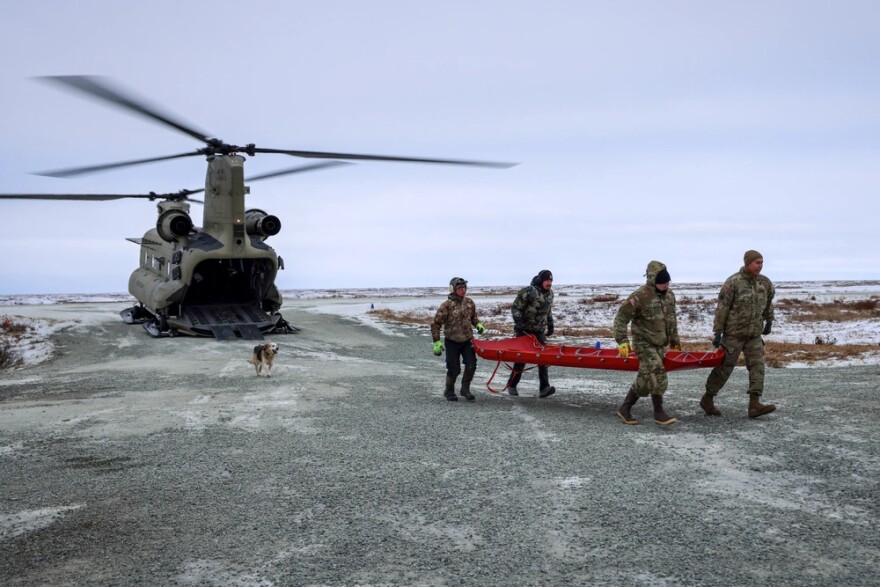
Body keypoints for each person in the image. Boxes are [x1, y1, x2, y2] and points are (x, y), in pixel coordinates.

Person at [701, 250, 777, 418]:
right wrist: (718, 332)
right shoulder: (733, 282)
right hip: (733, 335)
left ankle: (754, 404)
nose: (760, 266)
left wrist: (769, 321)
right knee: (724, 368)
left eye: (762, 262)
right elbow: (722, 308)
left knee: (757, 366)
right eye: (757, 262)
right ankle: (708, 399)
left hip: (754, 335)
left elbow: (768, 304)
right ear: (747, 263)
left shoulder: (765, 283)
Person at [613, 261, 681, 426]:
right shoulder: (640, 297)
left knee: (645, 379)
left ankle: (625, 408)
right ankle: (659, 412)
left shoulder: (669, 296)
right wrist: (622, 341)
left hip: (660, 343)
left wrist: (674, 340)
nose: (665, 286)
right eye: (662, 283)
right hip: (643, 343)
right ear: (652, 280)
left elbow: (671, 319)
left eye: (667, 282)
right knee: (657, 372)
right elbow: (621, 318)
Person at [431, 277, 486, 401]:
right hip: (452, 341)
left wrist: (478, 324)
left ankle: (465, 389)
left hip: (467, 340)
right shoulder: (446, 305)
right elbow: (436, 324)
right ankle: (449, 390)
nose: (463, 290)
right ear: (453, 289)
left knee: (471, 365)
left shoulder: (469, 303)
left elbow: (473, 318)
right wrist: (437, 342)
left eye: (464, 287)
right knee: (454, 368)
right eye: (460, 288)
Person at [506, 269, 556, 397]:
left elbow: (548, 310)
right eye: (546, 280)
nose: (549, 283)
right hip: (524, 330)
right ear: (540, 280)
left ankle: (544, 388)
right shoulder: (529, 292)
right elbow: (516, 307)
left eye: (550, 280)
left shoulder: (550, 294)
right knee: (521, 358)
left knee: (543, 358)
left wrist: (550, 324)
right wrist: (518, 321)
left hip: (539, 330)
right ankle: (512, 385)